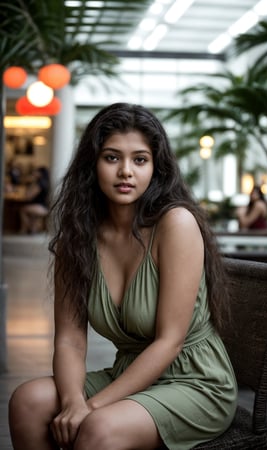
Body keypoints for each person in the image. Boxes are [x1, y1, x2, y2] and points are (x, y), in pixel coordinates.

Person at [9, 103, 238, 450]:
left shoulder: (175, 224)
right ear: (93, 165)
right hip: (129, 374)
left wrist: (91, 407)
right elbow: (70, 340)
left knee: (97, 428)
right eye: (112, 158)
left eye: (140, 160)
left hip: (195, 381)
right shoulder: (79, 235)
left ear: (156, 168)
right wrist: (73, 402)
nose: (126, 172)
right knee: (27, 402)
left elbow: (169, 341)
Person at [19, 166, 50, 234]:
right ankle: (33, 229)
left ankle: (28, 228)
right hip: (42, 206)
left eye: (36, 171)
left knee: (22, 209)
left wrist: (31, 183)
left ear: (40, 173)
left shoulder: (40, 184)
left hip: (41, 207)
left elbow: (29, 196)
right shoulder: (44, 182)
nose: (34, 173)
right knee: (31, 214)